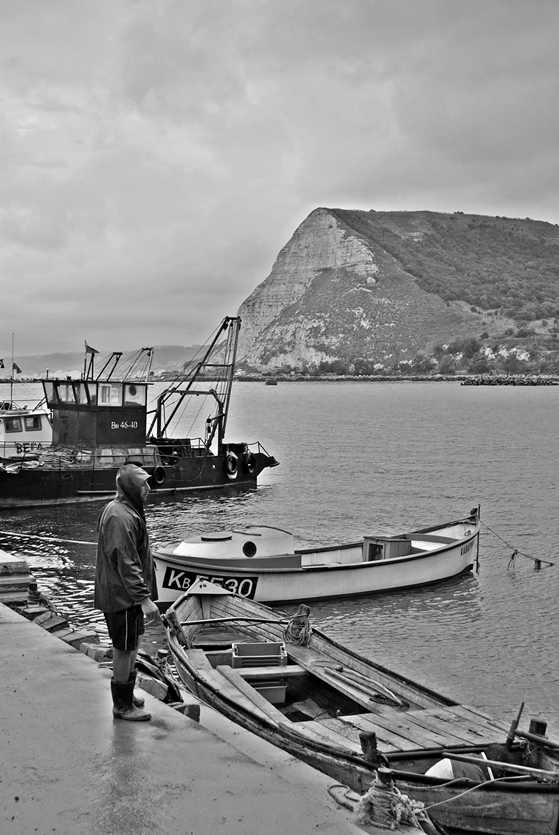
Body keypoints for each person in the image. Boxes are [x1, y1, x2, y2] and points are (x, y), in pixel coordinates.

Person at [94, 463, 160, 721]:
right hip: (123, 597)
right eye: (143, 484)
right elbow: (126, 562)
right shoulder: (121, 517)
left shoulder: (123, 509)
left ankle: (127, 692)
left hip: (125, 594)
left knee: (134, 642)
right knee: (123, 648)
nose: (148, 488)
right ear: (131, 487)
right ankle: (121, 705)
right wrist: (144, 599)